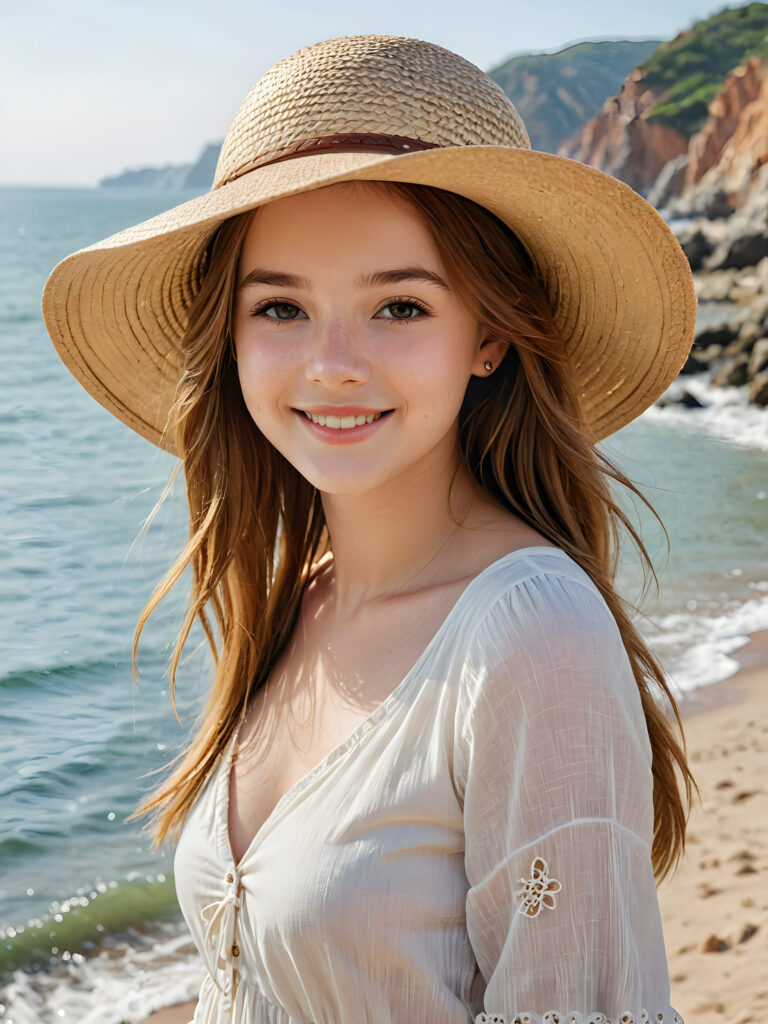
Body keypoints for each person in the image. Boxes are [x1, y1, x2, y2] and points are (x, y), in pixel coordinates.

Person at [41, 33, 698, 1024]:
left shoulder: (531, 636)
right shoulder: (300, 598)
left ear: (486, 334)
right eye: (281, 308)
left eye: (397, 304)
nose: (333, 363)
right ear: (232, 335)